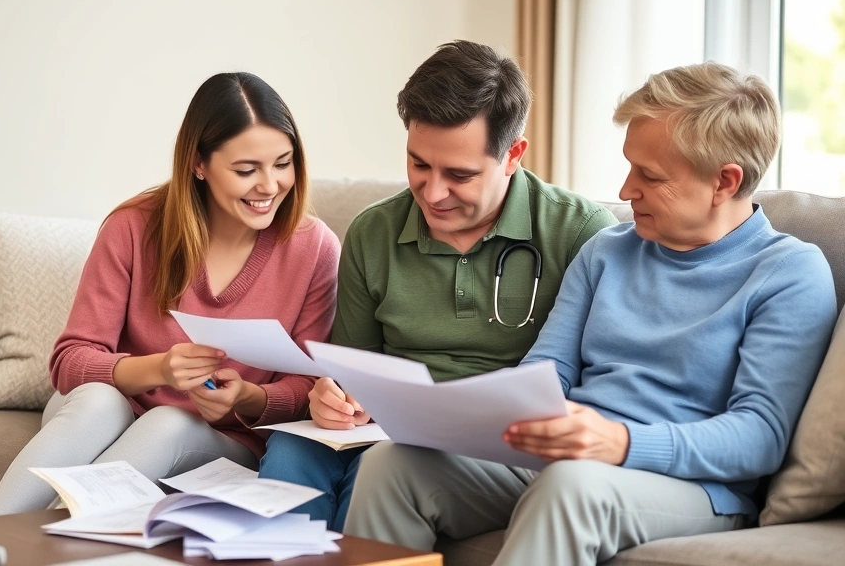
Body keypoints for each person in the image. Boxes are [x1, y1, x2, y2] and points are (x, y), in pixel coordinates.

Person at [342, 61, 839, 564]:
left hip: (690, 485)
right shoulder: (607, 250)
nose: (625, 191)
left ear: (724, 183)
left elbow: (761, 436)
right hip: (568, 459)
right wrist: (471, 418)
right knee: (393, 465)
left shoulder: (788, 273)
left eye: (650, 175)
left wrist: (620, 442)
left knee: (571, 486)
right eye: (629, 167)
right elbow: (548, 372)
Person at [257, 40, 618, 532]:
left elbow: (602, 384)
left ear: (513, 155)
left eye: (460, 174)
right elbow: (353, 366)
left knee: (381, 471)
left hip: (492, 444)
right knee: (292, 452)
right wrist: (333, 397)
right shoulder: (374, 232)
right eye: (419, 164)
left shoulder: (579, 233)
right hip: (386, 424)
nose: (433, 192)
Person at [0, 72, 339, 516]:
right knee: (97, 402)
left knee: (168, 422)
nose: (269, 186)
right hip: (106, 412)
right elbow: (69, 362)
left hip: (219, 438)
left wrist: (246, 396)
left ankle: (35, 546)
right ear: (199, 164)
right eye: (247, 170)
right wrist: (162, 369)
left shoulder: (315, 248)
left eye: (283, 163)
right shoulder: (133, 226)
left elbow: (310, 386)